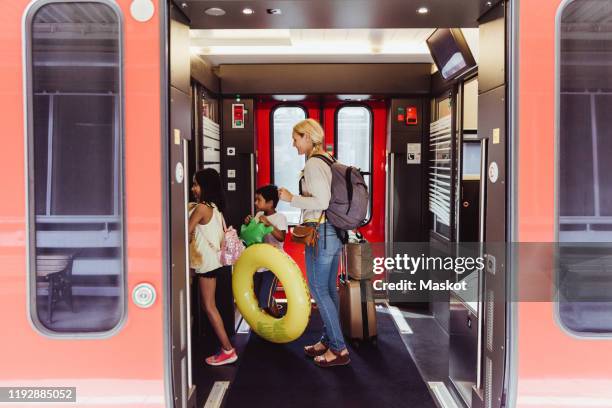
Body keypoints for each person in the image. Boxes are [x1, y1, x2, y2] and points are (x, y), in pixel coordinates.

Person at [278, 118, 350, 367]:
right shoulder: (328, 159)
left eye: (296, 138)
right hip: (331, 231)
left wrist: (291, 198)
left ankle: (339, 350)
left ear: (308, 137)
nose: (294, 143)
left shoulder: (313, 164)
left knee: (319, 290)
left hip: (321, 232)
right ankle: (328, 341)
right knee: (328, 290)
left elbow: (322, 201)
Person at [189, 168, 237, 366]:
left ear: (205, 187)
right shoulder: (214, 208)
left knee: (209, 306)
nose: (193, 188)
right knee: (207, 305)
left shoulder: (201, 208)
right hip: (211, 262)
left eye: (196, 184)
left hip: (205, 264)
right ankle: (226, 348)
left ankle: (227, 350)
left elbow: (186, 230)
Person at [244, 185, 288, 318]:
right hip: (259, 264)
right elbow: (254, 236)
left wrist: (268, 224)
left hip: (273, 265)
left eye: (259, 200)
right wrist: (249, 224)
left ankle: (278, 320)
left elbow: (281, 237)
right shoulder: (258, 215)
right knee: (259, 296)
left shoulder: (280, 217)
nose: (255, 202)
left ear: (270, 203)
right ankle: (271, 322)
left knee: (265, 299)